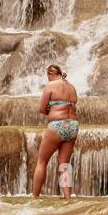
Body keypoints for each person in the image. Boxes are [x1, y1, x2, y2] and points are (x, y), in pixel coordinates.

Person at [32, 64, 79, 199]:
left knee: (42, 162)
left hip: (57, 126)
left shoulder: (51, 86)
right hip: (73, 126)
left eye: (48, 77)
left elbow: (42, 109)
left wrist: (53, 112)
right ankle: (67, 197)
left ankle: (35, 197)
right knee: (64, 164)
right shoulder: (72, 87)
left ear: (51, 74)